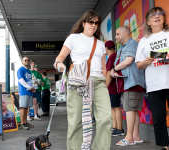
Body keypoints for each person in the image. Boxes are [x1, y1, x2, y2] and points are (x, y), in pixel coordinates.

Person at [53, 10, 112, 150]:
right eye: (91, 22)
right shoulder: (73, 38)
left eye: (96, 23)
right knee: (76, 121)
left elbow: (104, 69)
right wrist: (61, 67)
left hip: (98, 83)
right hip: (78, 83)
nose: (94, 25)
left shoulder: (100, 44)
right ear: (84, 23)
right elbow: (58, 60)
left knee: (105, 119)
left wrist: (105, 84)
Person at [135, 7, 169, 150]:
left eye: (160, 14)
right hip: (154, 85)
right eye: (153, 15)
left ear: (164, 18)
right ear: (148, 22)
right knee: (158, 119)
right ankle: (164, 147)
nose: (157, 16)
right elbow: (139, 64)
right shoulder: (144, 41)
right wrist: (146, 62)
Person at [112, 26, 146, 146]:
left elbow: (129, 60)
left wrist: (115, 68)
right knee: (133, 110)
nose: (116, 37)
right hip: (131, 83)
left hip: (132, 82)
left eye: (117, 34)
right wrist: (114, 71)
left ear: (125, 34)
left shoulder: (131, 44)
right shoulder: (124, 46)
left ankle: (129, 137)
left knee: (130, 110)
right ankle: (136, 136)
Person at [105, 40, 124, 137]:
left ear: (106, 48)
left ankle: (119, 129)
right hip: (114, 87)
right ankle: (115, 127)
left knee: (116, 108)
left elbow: (109, 73)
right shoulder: (114, 56)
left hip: (113, 87)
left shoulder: (112, 57)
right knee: (113, 108)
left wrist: (105, 86)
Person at [17, 56, 35, 130]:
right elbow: (21, 80)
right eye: (25, 60)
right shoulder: (20, 70)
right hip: (24, 91)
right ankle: (22, 123)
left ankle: (25, 122)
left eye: (28, 60)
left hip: (29, 92)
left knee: (26, 108)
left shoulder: (29, 71)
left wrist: (33, 88)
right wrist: (30, 87)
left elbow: (30, 81)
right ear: (22, 62)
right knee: (23, 107)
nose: (27, 61)